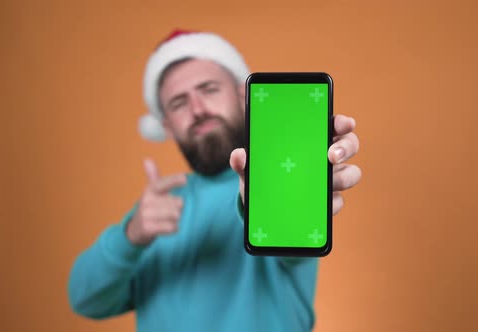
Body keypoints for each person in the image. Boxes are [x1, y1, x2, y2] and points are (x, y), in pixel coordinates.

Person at [68, 29, 362, 332]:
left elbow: (292, 243)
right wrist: (131, 236)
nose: (197, 110)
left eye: (208, 89)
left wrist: (284, 193)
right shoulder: (155, 214)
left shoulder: (277, 186)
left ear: (240, 95)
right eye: (179, 103)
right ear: (166, 125)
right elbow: (85, 299)